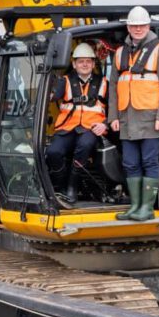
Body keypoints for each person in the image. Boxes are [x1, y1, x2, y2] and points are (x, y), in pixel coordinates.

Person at [108, 6, 159, 221]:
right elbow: (113, 87)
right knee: (130, 162)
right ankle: (135, 206)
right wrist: (113, 117)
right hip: (127, 118)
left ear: (148, 26)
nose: (138, 29)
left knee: (149, 162)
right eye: (134, 26)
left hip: (151, 118)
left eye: (142, 25)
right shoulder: (120, 53)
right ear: (128, 27)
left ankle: (146, 208)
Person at [46, 42, 108, 203]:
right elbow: (52, 97)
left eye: (88, 61)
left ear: (94, 63)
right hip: (67, 127)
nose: (85, 64)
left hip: (91, 128)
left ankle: (72, 187)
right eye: (81, 61)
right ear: (74, 64)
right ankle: (60, 187)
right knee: (53, 152)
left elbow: (115, 107)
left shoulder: (103, 82)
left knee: (85, 146)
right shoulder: (65, 81)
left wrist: (105, 124)